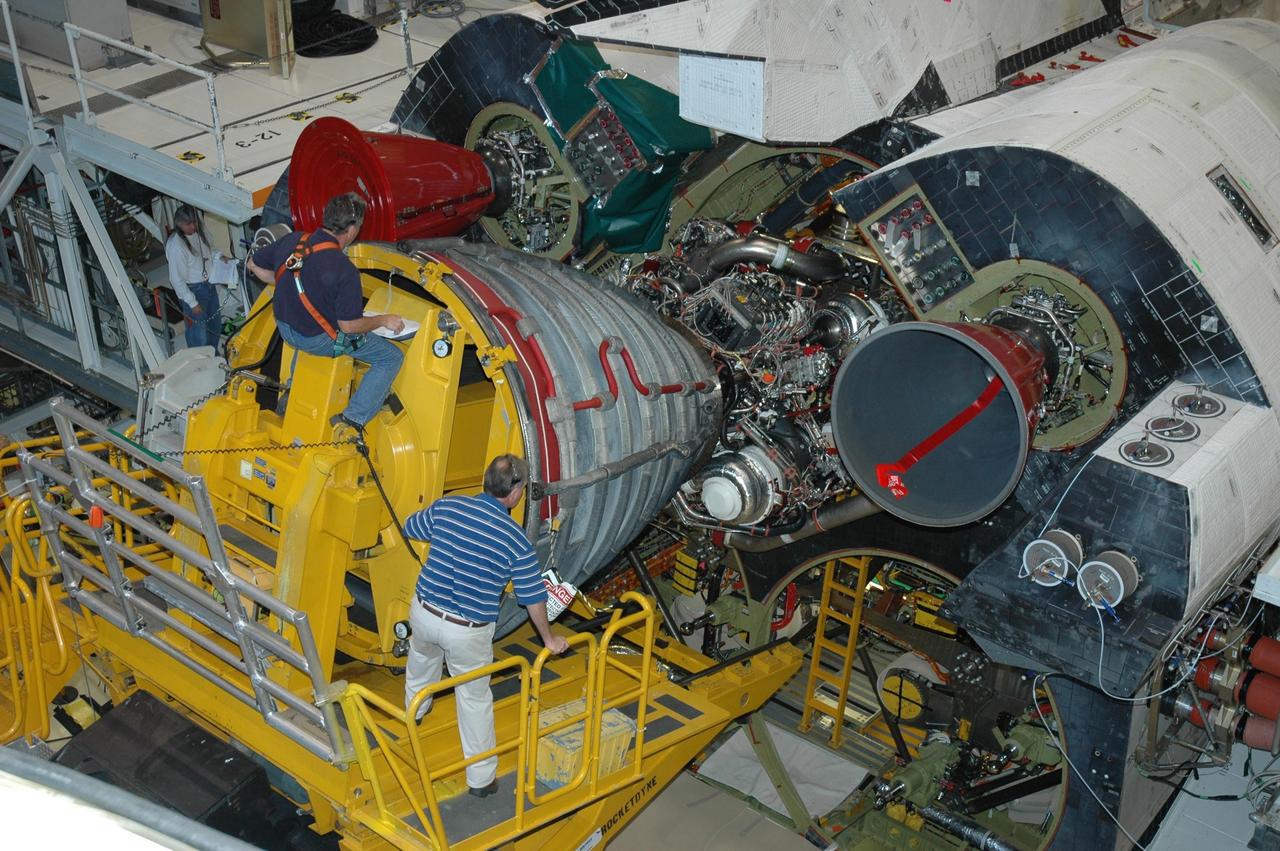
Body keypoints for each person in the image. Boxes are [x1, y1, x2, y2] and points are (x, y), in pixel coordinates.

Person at [403, 454, 570, 798]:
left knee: (421, 663)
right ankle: (480, 780)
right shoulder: (515, 541)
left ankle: (415, 713)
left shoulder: (448, 508)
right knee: (474, 698)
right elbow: (533, 597)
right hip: (467, 630)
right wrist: (549, 639)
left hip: (424, 612)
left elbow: (411, 526)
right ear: (515, 493)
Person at [246, 192, 404, 433]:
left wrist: (288, 285)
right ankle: (353, 419)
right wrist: (384, 320)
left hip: (287, 329)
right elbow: (348, 327)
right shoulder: (345, 271)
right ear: (351, 229)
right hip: (315, 339)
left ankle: (291, 393)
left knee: (309, 326)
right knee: (390, 357)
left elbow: (255, 264)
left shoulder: (295, 241)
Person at [165, 204, 223, 350]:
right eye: (188, 224)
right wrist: (192, 303)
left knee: (214, 326)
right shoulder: (176, 247)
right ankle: (200, 364)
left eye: (194, 222)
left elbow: (209, 251)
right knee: (199, 335)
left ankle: (213, 357)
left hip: (209, 285)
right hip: (194, 291)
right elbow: (176, 280)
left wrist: (220, 257)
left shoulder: (199, 233)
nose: (193, 227)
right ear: (180, 225)